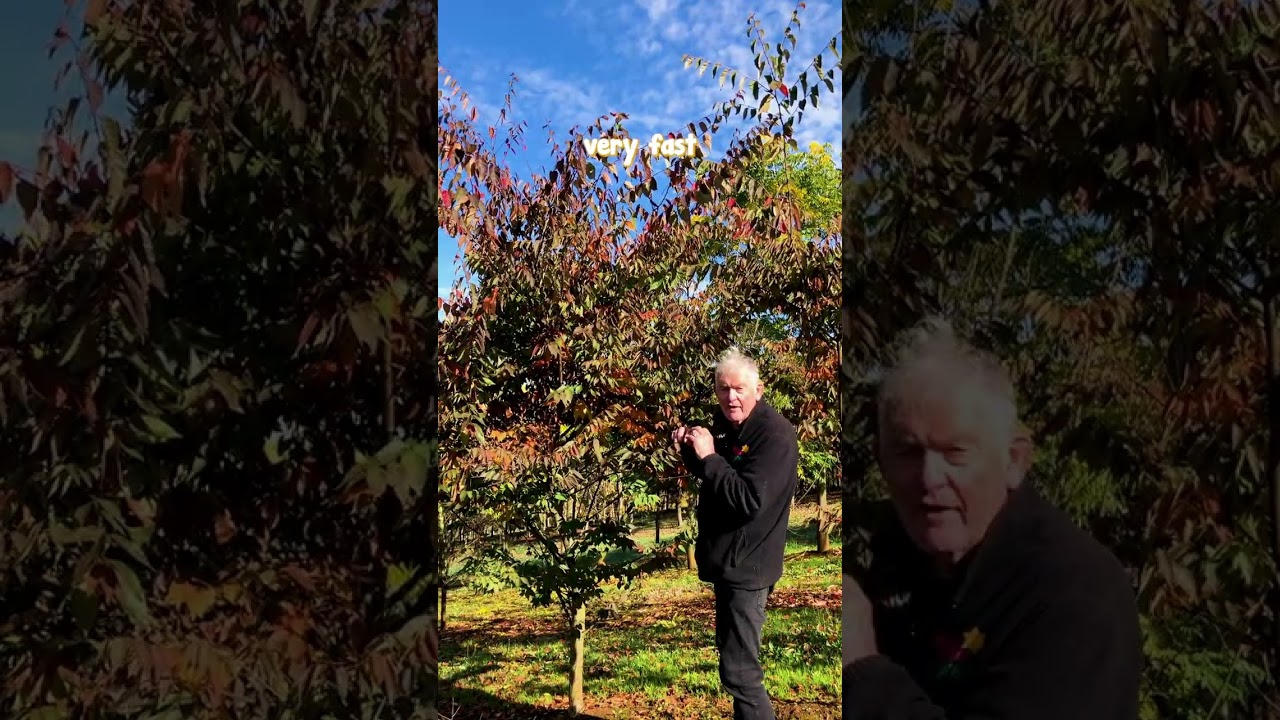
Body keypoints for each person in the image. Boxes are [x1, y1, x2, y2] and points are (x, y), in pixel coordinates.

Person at [844, 318, 1142, 719]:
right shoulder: (900, 553)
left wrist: (862, 671)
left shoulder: (1073, 593)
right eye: (908, 453)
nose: (929, 479)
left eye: (955, 453)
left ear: (1014, 460)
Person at [672, 347, 799, 720]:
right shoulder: (732, 428)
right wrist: (692, 451)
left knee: (741, 673)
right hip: (733, 562)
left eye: (740, 388)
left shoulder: (774, 436)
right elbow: (718, 482)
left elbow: (746, 499)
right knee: (737, 667)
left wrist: (710, 456)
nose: (731, 397)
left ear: (758, 390)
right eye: (723, 389)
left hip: (749, 566)